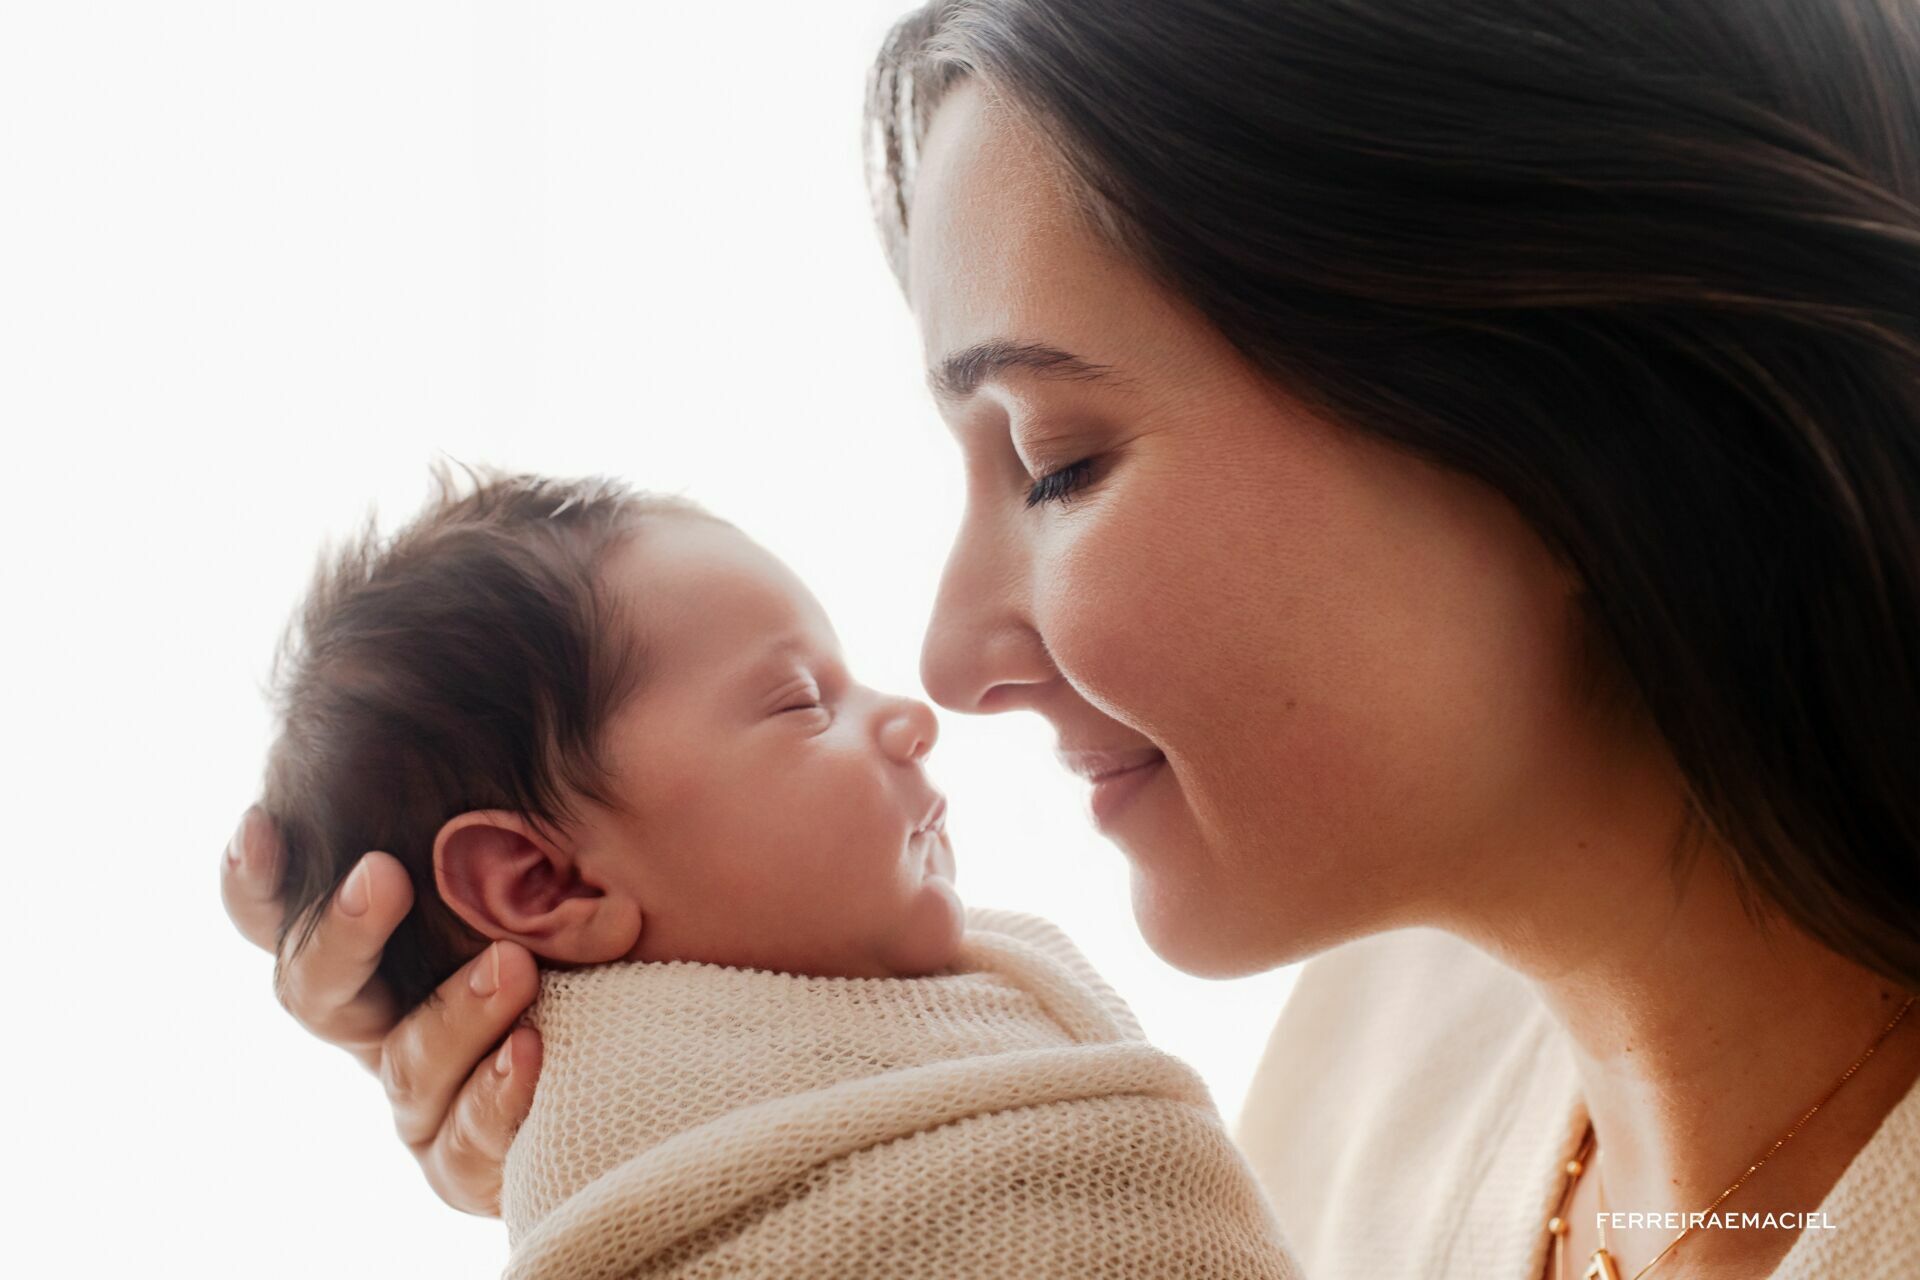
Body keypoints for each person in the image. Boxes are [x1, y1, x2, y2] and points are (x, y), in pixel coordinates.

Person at [223, 1, 1920, 1276]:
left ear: (1575, 418)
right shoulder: (1368, 1071)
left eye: (1057, 462)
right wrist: (635, 1107)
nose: (953, 663)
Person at [253, 460, 1297, 1278]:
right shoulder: (611, 1105)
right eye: (803, 699)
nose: (910, 715)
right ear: (542, 883)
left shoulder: (989, 992)